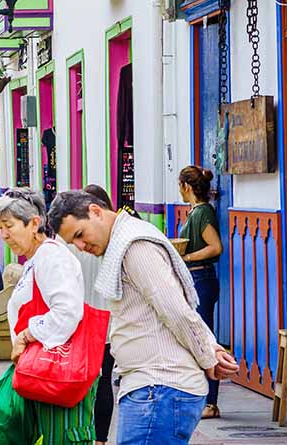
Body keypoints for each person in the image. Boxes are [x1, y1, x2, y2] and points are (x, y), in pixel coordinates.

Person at [48, 191, 239, 445]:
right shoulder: (121, 243)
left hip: (159, 389)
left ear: (95, 211)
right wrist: (209, 349)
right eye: (73, 243)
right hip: (153, 389)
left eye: (80, 234)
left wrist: (208, 355)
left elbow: (176, 310)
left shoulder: (134, 246)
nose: (81, 247)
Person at [0, 188, 97, 445]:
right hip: (42, 374)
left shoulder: (51, 256)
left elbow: (67, 311)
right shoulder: (36, 259)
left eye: (9, 226)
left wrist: (26, 335)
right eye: (0, 228)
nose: (4, 235)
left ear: (34, 223)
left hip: (57, 374)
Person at [177, 166, 225, 419]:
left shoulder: (203, 212)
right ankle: (203, 398)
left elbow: (215, 247)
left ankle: (211, 402)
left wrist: (186, 257)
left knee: (206, 340)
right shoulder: (195, 212)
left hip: (202, 278)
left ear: (186, 186)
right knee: (198, 337)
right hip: (196, 278)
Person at [75, 184, 119, 445]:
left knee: (82, 382)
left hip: (81, 321)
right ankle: (100, 440)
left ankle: (81, 434)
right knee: (104, 381)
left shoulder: (74, 242)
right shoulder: (113, 240)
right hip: (107, 323)